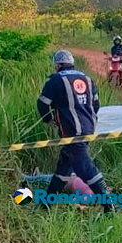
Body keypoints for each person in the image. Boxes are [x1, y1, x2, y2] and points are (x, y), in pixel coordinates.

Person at [37, 50, 112, 212]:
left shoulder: (55, 79)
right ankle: (46, 205)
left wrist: (49, 120)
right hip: (89, 128)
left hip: (71, 132)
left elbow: (42, 104)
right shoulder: (87, 79)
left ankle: (109, 205)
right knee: (63, 169)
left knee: (85, 168)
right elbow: (96, 105)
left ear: (57, 65)